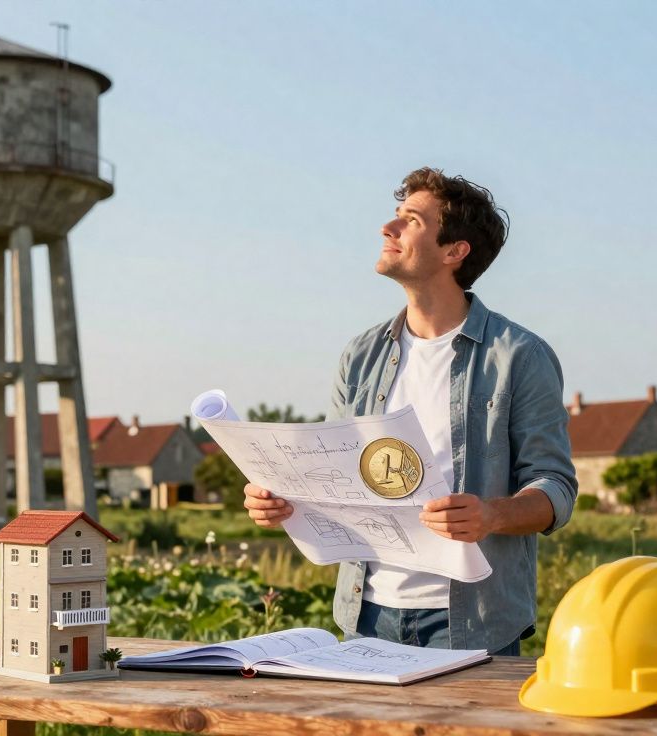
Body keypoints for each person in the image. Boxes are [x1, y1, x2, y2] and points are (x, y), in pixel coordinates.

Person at [242, 167, 577, 656]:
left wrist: (492, 514)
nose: (388, 228)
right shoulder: (360, 356)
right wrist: (281, 500)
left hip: (472, 623)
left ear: (453, 251)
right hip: (365, 616)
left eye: (411, 221)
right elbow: (333, 476)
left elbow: (556, 487)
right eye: (396, 216)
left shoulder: (520, 355)